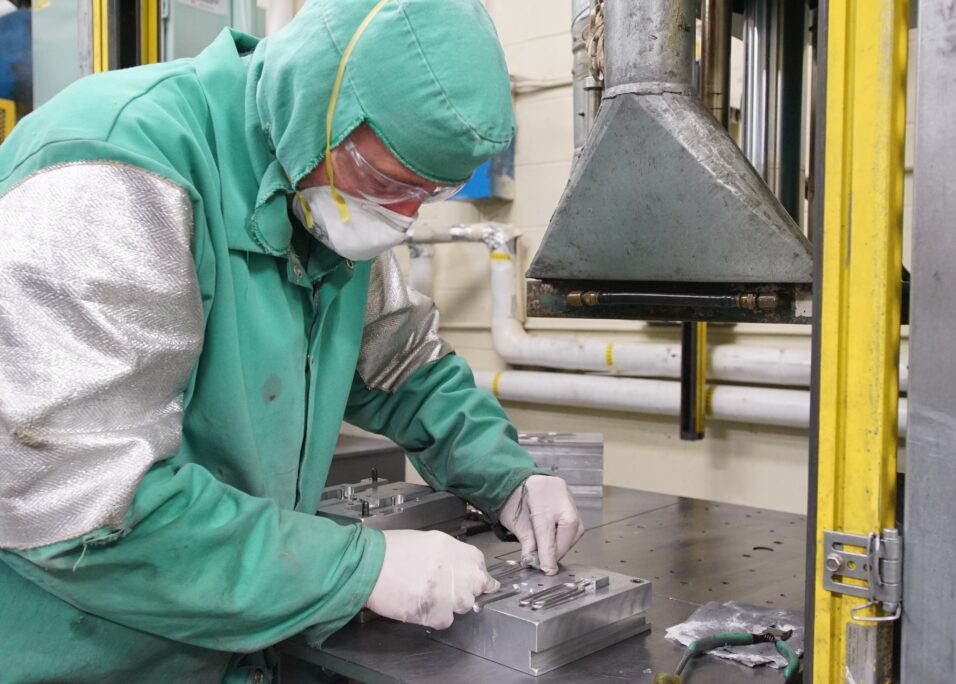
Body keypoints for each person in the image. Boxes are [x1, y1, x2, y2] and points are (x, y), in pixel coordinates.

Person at [0, 0, 583, 681]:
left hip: (236, 644)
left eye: (427, 196)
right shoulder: (116, 173)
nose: (401, 222)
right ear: (318, 111)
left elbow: (401, 362)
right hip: (88, 654)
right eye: (391, 186)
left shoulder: (322, 195)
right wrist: (360, 568)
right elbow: (80, 505)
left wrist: (509, 476)